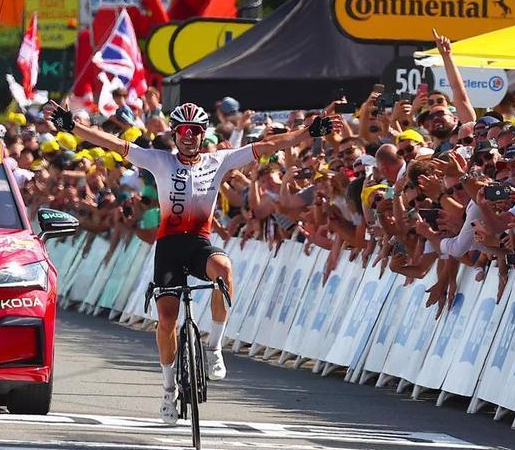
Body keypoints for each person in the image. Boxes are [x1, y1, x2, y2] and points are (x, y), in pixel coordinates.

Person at [43, 100, 339, 424]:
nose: (189, 136)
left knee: (224, 270)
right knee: (167, 320)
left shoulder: (219, 160)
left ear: (203, 134)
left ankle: (214, 348)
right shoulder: (159, 160)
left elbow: (270, 145)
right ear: (174, 134)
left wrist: (309, 132)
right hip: (168, 247)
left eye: (195, 131)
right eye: (183, 131)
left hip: (199, 243)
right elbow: (113, 143)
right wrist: (73, 127)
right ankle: (168, 393)